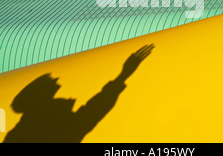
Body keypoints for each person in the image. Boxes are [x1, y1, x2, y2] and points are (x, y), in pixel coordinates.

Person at [3, 44, 154, 143]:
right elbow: (93, 112)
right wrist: (123, 76)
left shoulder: (20, 133)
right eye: (53, 86)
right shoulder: (57, 125)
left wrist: (123, 76)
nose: (57, 84)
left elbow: (92, 111)